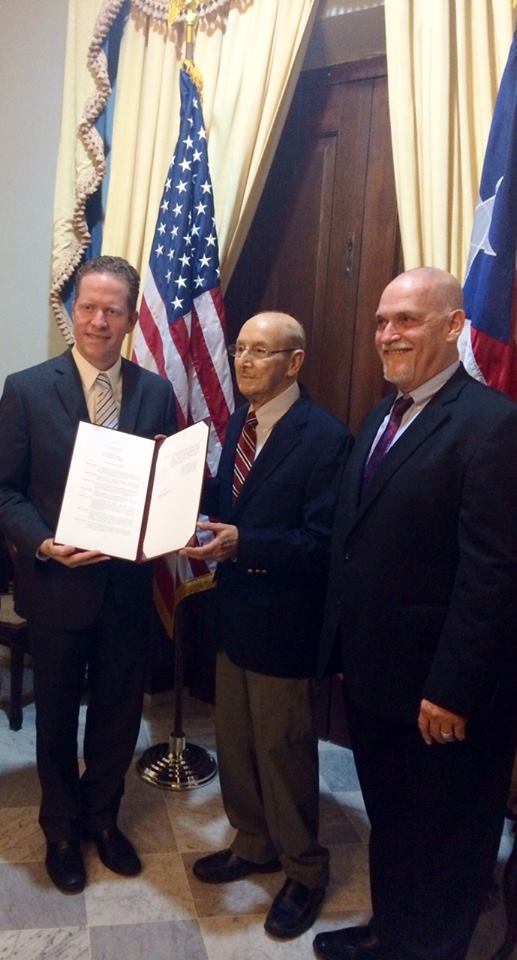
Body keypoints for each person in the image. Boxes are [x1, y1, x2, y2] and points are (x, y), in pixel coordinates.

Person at [314, 267, 517, 960]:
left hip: (442, 695)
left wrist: (452, 688)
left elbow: (492, 578)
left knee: (447, 839)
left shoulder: (493, 425)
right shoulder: (382, 415)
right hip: (377, 677)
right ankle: (391, 933)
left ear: (454, 325)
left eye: (407, 319)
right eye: (381, 321)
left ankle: (427, 948)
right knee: (394, 820)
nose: (387, 334)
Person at [0, 256, 176, 893]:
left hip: (127, 588)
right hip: (56, 587)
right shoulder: (25, 388)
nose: (98, 321)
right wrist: (44, 543)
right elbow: (5, 490)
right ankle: (60, 830)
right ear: (72, 311)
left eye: (112, 310)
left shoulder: (156, 392)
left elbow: (163, 483)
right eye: (87, 307)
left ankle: (103, 818)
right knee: (54, 718)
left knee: (117, 713)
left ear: (130, 319)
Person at [182, 311, 352, 939]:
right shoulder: (239, 421)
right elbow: (232, 505)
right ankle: (253, 842)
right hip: (234, 618)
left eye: (261, 351)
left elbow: (323, 543)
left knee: (283, 752)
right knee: (236, 743)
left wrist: (243, 544)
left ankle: (304, 870)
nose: (244, 361)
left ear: (294, 362)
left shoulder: (325, 437)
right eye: (239, 349)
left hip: (286, 625)